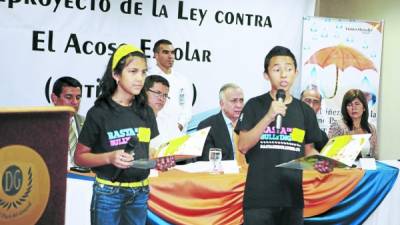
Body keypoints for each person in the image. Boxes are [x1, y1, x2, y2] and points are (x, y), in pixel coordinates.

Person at [74, 44, 173, 225]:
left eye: (143, 72)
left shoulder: (146, 112)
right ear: (116, 75)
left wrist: (158, 162)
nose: (139, 79)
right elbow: (80, 158)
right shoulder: (99, 113)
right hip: (108, 194)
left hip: (140, 193)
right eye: (133, 71)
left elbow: (146, 154)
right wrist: (110, 157)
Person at [235, 46, 330, 225]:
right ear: (266, 74)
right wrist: (269, 116)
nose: (283, 74)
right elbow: (243, 145)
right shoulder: (254, 106)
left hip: (292, 199)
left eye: (288, 68)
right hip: (259, 199)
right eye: (277, 69)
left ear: (296, 72)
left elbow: (308, 152)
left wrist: (324, 162)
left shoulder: (305, 111)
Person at [148, 39, 193, 135]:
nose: (170, 56)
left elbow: (187, 108)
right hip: (154, 132)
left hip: (177, 133)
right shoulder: (147, 77)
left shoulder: (182, 80)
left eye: (172, 53)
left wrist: (179, 126)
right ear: (156, 55)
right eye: (165, 52)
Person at [197, 83, 244, 161]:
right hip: (223, 172)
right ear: (222, 104)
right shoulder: (206, 126)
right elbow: (207, 160)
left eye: (241, 100)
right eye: (234, 101)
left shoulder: (251, 124)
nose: (239, 105)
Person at [328, 89, 378, 158]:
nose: (353, 108)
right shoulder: (338, 127)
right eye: (349, 105)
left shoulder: (371, 128)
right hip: (344, 168)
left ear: (364, 108)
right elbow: (330, 154)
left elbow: (375, 155)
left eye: (357, 104)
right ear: (345, 109)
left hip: (367, 167)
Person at [51, 76, 85, 169]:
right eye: (69, 97)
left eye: (78, 97)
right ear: (54, 98)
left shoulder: (87, 123)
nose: (75, 102)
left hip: (83, 179)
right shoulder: (43, 125)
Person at [143, 75, 174, 150]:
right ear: (145, 92)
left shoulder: (169, 120)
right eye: (158, 93)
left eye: (165, 95)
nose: (161, 98)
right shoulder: (136, 120)